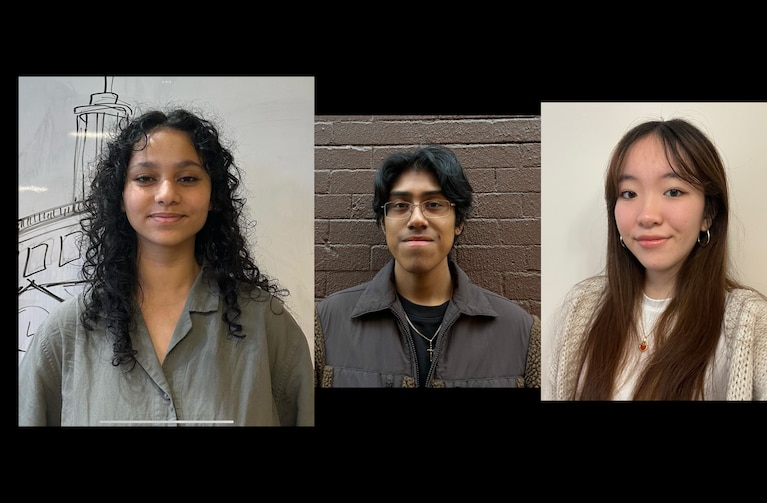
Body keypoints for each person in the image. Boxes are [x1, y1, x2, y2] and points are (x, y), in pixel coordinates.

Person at [18, 108, 315, 425]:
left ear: (213, 195)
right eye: (145, 178)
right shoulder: (66, 335)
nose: (167, 194)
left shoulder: (268, 326)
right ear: (120, 195)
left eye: (187, 178)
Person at [544, 118, 767, 401]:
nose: (647, 215)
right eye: (629, 193)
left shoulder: (754, 327)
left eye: (673, 191)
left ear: (708, 214)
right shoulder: (580, 310)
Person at [314, 144, 540, 388]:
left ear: (458, 222)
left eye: (433, 204)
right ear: (383, 223)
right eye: (400, 205)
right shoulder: (327, 324)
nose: (417, 219)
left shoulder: (519, 332)